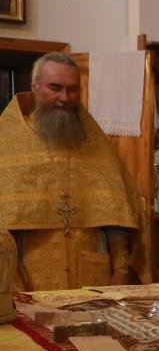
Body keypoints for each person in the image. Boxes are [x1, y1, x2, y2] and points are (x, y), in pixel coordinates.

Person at [0, 52, 146, 291]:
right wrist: (10, 284)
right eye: (55, 88)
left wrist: (121, 270)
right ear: (35, 86)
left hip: (94, 278)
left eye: (73, 89)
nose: (65, 98)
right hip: (30, 279)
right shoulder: (7, 141)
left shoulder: (95, 143)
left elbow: (116, 214)